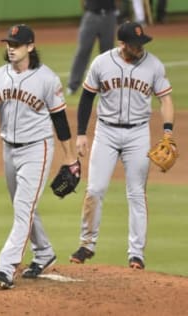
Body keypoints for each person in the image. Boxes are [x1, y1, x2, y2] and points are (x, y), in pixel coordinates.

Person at [0, 24, 79, 289]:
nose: (11, 48)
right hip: (9, 149)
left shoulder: (47, 79)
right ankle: (43, 252)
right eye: (8, 43)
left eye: (16, 44)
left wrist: (70, 158)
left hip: (37, 149)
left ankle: (5, 268)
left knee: (23, 207)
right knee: (24, 207)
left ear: (30, 46)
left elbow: (60, 120)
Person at [69, 22, 175, 270]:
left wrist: (168, 132)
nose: (141, 48)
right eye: (135, 44)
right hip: (106, 132)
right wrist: (82, 134)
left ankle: (136, 254)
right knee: (95, 189)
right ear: (122, 44)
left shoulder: (154, 65)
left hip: (138, 133)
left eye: (142, 43)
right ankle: (87, 244)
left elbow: (165, 99)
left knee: (136, 193)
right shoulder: (102, 63)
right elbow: (86, 97)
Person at [66, 0, 119, 96]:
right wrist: (87, 10)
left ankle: (105, 85)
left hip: (109, 15)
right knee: (83, 51)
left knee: (107, 53)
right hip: (91, 14)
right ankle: (73, 85)